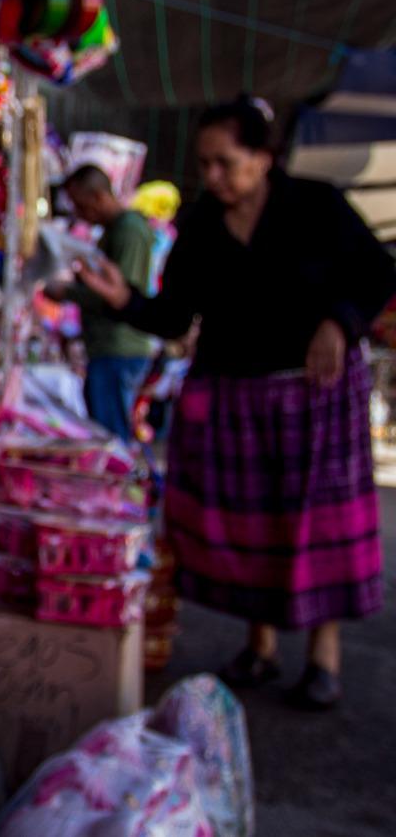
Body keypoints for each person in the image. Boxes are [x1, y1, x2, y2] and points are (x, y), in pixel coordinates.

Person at [78, 96, 396, 709]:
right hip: (232, 393)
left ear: (264, 157)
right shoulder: (199, 225)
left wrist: (340, 320)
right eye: (206, 164)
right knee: (253, 527)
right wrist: (123, 299)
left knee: (313, 524)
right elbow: (174, 317)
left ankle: (323, 657)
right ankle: (261, 646)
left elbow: (379, 273)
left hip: (314, 393)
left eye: (225, 162)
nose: (213, 176)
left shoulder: (316, 205)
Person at [47, 164, 159, 443]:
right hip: (109, 348)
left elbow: (120, 296)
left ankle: (117, 485)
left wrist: (68, 292)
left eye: (80, 205)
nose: (78, 214)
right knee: (106, 430)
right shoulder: (117, 229)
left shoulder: (129, 229)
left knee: (111, 437)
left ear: (98, 197)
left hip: (119, 348)